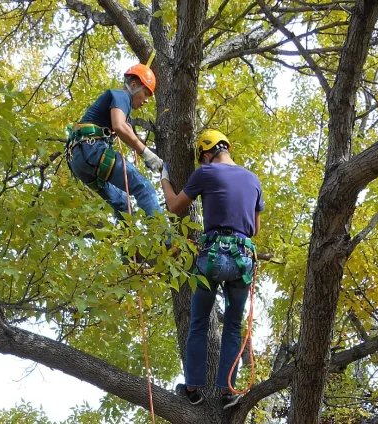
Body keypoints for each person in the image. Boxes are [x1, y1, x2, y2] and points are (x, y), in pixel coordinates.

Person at [161, 129, 264, 409]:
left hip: (211, 255)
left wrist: (164, 179)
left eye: (202, 157)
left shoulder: (206, 173)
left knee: (198, 323)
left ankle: (193, 389)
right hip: (242, 259)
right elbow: (254, 229)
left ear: (207, 152)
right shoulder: (254, 180)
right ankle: (228, 391)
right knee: (232, 326)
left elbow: (173, 206)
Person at [66, 64, 164, 220]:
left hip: (78, 160)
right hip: (91, 149)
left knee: (124, 207)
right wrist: (147, 154)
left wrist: (152, 156)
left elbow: (130, 136)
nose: (145, 101)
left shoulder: (126, 115)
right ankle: (167, 241)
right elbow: (119, 127)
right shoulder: (121, 96)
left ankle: (125, 242)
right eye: (145, 94)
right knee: (144, 188)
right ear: (133, 85)